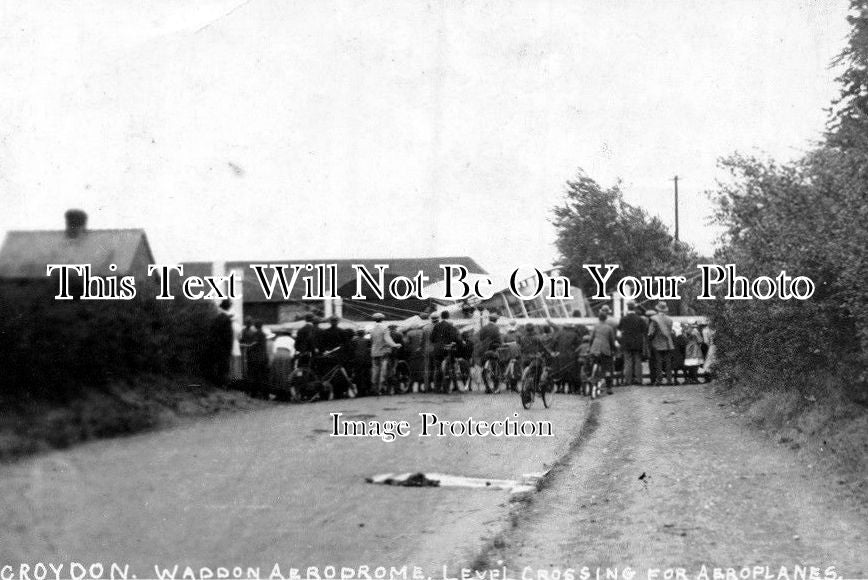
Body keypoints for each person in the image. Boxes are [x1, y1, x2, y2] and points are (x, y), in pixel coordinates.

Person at [430, 310, 462, 392]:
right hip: (446, 349)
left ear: (441, 317)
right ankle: (453, 386)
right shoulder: (450, 326)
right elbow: (455, 338)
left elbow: (432, 339)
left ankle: (437, 388)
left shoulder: (437, 326)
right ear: (448, 316)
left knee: (437, 368)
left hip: (437, 349)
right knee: (451, 366)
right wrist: (460, 343)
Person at [370, 313, 399, 394]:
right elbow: (388, 339)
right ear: (382, 319)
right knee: (384, 370)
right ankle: (382, 387)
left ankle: (374, 388)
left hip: (374, 352)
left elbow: (372, 341)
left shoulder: (371, 329)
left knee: (375, 370)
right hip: (383, 352)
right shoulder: (384, 328)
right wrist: (395, 345)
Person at [207, 298, 235, 386]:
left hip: (216, 346)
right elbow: (228, 337)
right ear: (229, 308)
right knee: (224, 367)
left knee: (217, 365)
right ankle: (223, 384)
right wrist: (229, 348)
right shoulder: (227, 320)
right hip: (224, 347)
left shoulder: (217, 318)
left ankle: (217, 383)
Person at [617, 301, 646, 386]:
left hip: (626, 343)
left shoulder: (624, 319)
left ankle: (628, 380)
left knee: (628, 362)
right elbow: (644, 329)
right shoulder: (640, 319)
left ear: (628, 308)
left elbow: (619, 328)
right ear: (634, 308)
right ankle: (639, 380)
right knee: (638, 361)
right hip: (637, 342)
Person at [589, 311, 616, 394]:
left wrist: (590, 347)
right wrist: (613, 349)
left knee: (594, 363)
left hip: (595, 349)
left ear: (598, 318)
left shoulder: (595, 327)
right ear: (606, 319)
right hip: (605, 350)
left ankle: (592, 378)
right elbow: (612, 341)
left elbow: (591, 338)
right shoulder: (609, 328)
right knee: (607, 369)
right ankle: (609, 388)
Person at [648, 302, 675, 386]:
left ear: (657, 309)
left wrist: (649, 339)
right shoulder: (669, 320)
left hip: (657, 343)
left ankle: (659, 380)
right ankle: (669, 380)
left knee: (658, 362)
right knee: (668, 362)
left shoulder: (654, 319)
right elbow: (669, 331)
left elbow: (651, 333)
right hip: (667, 343)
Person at [477, 313, 503, 393]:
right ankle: (496, 386)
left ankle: (487, 387)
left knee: (483, 369)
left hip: (485, 351)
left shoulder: (484, 328)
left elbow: (480, 338)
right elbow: (499, 340)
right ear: (496, 320)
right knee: (498, 366)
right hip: (493, 350)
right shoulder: (496, 328)